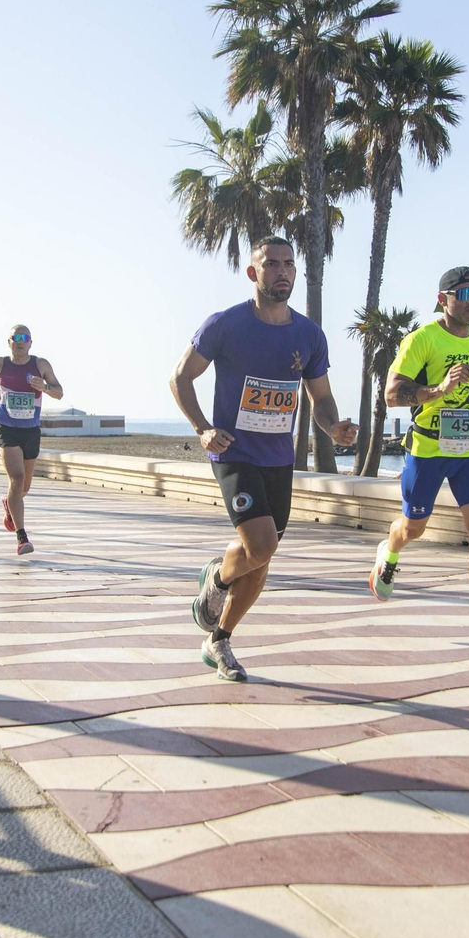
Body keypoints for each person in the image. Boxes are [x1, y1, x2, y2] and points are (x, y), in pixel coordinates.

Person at [168, 236, 358, 682]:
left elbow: (322, 396)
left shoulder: (309, 335)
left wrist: (333, 428)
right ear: (253, 273)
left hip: (278, 459)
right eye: (271, 264)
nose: (282, 271)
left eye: (289, 264)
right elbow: (180, 378)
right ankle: (216, 578)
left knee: (259, 560)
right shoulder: (225, 325)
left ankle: (219, 640)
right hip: (233, 452)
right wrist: (203, 429)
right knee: (262, 546)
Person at [370, 267, 469, 654]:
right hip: (428, 449)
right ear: (443, 299)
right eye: (465, 293)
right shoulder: (421, 339)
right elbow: (392, 395)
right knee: (413, 528)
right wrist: (440, 389)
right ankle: (388, 552)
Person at [0, 326, 63, 556]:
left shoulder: (41, 365)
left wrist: (46, 387)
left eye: (25, 338)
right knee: (17, 478)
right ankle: (22, 537)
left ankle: (9, 503)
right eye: (16, 338)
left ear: (31, 343)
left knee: (24, 487)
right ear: (9, 342)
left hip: (30, 430)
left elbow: (59, 392)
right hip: (7, 428)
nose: (20, 342)